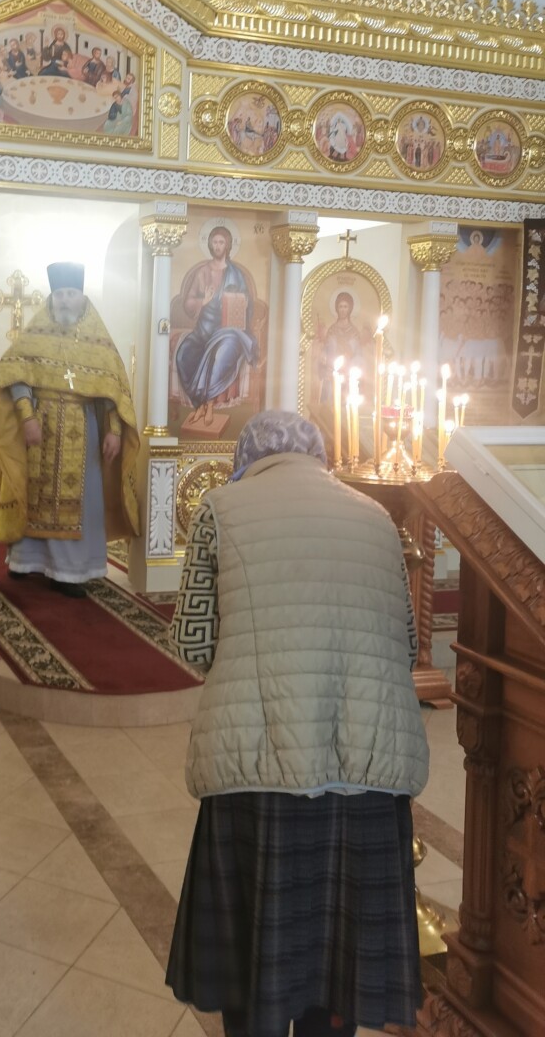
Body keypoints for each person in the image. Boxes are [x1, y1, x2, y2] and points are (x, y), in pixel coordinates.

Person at [166, 410, 428, 1037]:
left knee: (253, 964)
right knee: (339, 968)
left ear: (247, 457)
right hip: (367, 775)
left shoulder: (220, 510)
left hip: (258, 772)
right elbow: (408, 642)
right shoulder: (377, 517)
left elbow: (192, 643)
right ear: (319, 455)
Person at [0, 262, 140, 597]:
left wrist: (114, 431)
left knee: (80, 503)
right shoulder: (36, 332)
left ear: (82, 296)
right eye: (60, 294)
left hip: (83, 431)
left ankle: (69, 572)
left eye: (71, 293)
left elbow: (113, 392)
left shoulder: (98, 339)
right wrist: (27, 418)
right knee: (32, 491)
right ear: (52, 297)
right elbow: (16, 376)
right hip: (39, 427)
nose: (65, 300)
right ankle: (25, 561)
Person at [174, 226, 257, 414]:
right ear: (210, 245)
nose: (218, 246)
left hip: (229, 330)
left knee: (222, 354)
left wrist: (241, 303)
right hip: (203, 330)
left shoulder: (236, 274)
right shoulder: (202, 272)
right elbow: (188, 302)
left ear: (227, 245)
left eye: (221, 242)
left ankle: (208, 404)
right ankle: (199, 403)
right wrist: (202, 301)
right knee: (183, 354)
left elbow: (247, 302)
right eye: (215, 242)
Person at [319, 291, 363, 402]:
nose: (343, 310)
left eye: (345, 306)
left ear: (350, 309)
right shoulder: (332, 330)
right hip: (332, 374)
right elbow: (326, 350)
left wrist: (351, 365)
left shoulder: (354, 332)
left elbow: (358, 355)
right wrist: (324, 357)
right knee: (329, 402)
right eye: (340, 306)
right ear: (337, 308)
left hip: (348, 375)